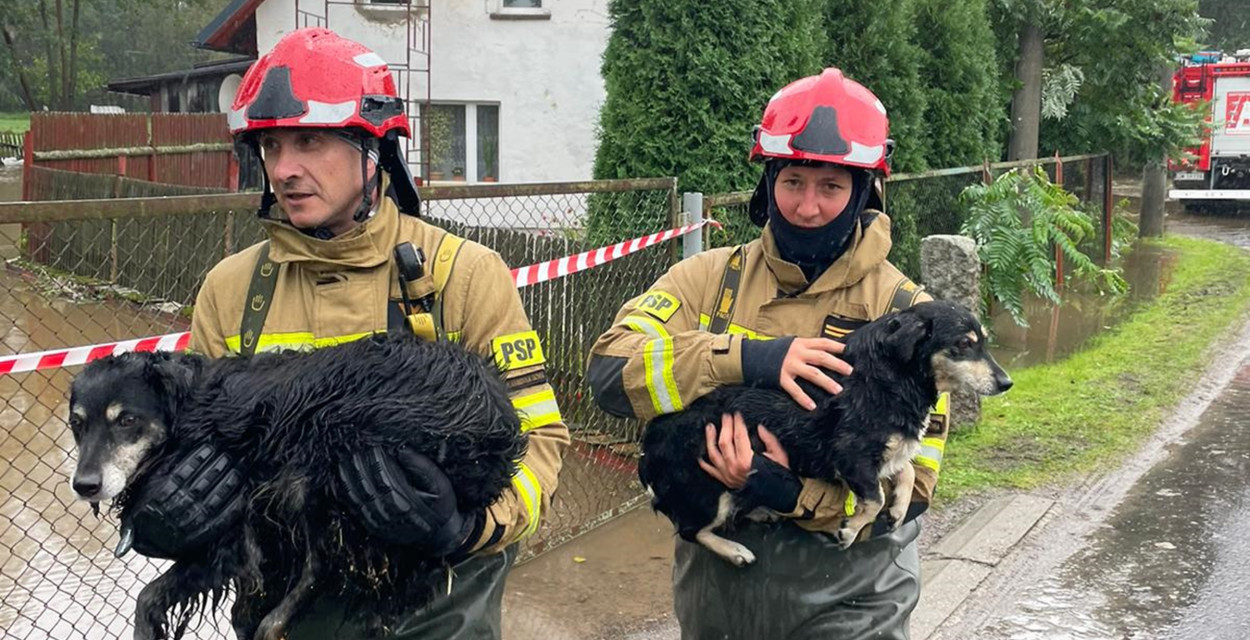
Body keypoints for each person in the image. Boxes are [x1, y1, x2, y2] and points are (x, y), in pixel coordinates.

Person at [121, 28, 569, 639]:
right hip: (281, 611)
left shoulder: (462, 276)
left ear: (372, 147)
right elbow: (196, 452)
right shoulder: (231, 291)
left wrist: (469, 527)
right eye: (271, 146)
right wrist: (162, 511)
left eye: (309, 141)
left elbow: (540, 440)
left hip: (434, 609)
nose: (284, 169)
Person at [587, 68, 949, 639]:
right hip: (720, 605)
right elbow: (609, 373)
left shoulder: (908, 314)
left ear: (864, 194)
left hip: (852, 602)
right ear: (768, 184)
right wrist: (746, 358)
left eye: (831, 187)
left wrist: (781, 490)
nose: (807, 207)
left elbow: (916, 489)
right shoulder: (705, 278)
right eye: (793, 181)